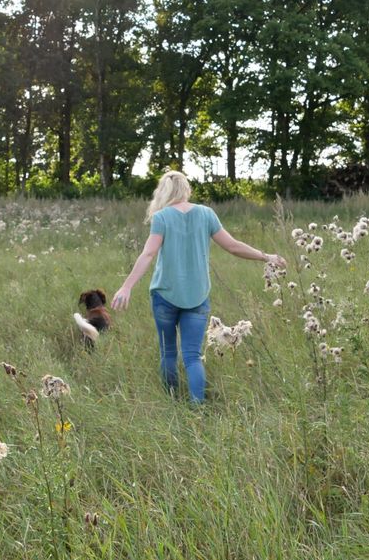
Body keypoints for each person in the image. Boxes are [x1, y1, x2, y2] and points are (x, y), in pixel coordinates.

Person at [111, 171, 286, 403]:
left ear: (162, 192)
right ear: (187, 189)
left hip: (164, 295)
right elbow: (233, 247)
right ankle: (198, 407)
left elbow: (148, 253)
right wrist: (266, 256)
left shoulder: (161, 217)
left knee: (168, 353)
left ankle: (172, 401)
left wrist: (126, 286)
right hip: (197, 297)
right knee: (193, 356)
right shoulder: (206, 214)